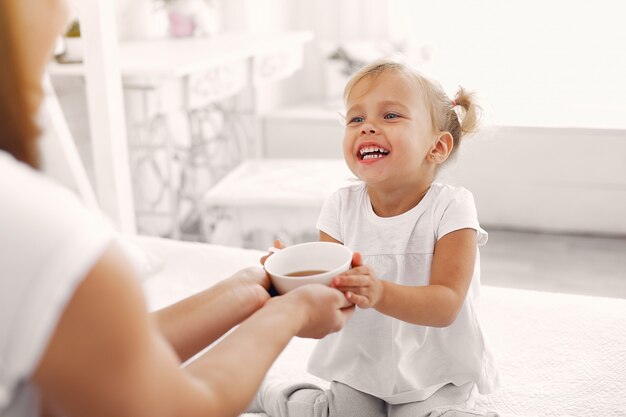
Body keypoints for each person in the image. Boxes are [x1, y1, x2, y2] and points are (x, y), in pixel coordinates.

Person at [0, 1, 354, 416]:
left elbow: (103, 359)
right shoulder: (37, 230)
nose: (64, 16)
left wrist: (241, 294)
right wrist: (290, 313)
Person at [250, 59, 499, 417]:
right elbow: (328, 302)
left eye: (391, 116)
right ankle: (273, 395)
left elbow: (446, 305)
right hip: (361, 366)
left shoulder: (452, 208)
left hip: (435, 373)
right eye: (356, 119)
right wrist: (286, 282)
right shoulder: (340, 206)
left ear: (437, 147)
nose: (367, 128)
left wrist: (379, 292)